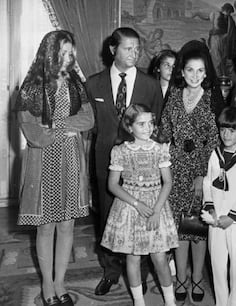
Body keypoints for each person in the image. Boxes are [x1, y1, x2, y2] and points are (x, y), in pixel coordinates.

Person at [15, 30, 94, 306]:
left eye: (70, 53)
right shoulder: (32, 86)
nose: (67, 58)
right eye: (61, 53)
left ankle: (61, 282)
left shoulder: (75, 83)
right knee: (46, 227)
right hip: (44, 158)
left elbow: (88, 119)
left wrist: (58, 126)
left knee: (67, 225)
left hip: (71, 158)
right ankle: (47, 284)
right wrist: (62, 131)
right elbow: (33, 132)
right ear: (49, 54)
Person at [86, 27, 164, 296]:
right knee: (108, 217)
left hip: (142, 167)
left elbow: (158, 124)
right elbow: (89, 124)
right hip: (105, 161)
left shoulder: (150, 85)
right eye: (128, 49)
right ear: (113, 50)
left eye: (137, 49)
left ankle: (139, 275)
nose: (134, 54)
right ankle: (110, 271)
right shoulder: (93, 84)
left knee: (140, 218)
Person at [100, 104, 178, 306]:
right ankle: (139, 302)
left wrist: (156, 211)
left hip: (155, 206)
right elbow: (112, 185)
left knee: (160, 257)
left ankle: (170, 301)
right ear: (129, 126)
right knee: (133, 258)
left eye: (150, 123)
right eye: (141, 124)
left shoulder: (160, 149)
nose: (147, 128)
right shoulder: (120, 151)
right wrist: (136, 203)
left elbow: (168, 182)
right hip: (129, 206)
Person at [160, 47, 219, 303]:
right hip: (175, 168)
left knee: (197, 227)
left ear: (206, 73)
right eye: (190, 70)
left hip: (201, 169)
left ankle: (196, 278)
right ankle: (181, 277)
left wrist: (201, 175)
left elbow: (215, 141)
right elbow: (163, 131)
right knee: (179, 228)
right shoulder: (173, 96)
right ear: (182, 72)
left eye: (200, 71)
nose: (195, 75)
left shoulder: (211, 98)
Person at [202, 106, 236, 306]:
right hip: (215, 218)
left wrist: (232, 217)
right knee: (217, 265)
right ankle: (221, 301)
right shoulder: (216, 153)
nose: (226, 134)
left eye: (232, 130)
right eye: (223, 129)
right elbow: (208, 182)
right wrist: (210, 208)